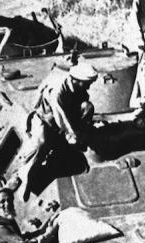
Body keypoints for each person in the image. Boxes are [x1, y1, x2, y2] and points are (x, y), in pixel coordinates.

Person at [11, 62, 99, 191]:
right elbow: (61, 118)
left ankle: (69, 145)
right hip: (44, 119)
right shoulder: (57, 92)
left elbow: (81, 102)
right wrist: (72, 136)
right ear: (77, 80)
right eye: (87, 83)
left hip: (66, 115)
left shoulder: (76, 86)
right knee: (40, 144)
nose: (89, 87)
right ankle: (21, 176)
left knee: (87, 107)